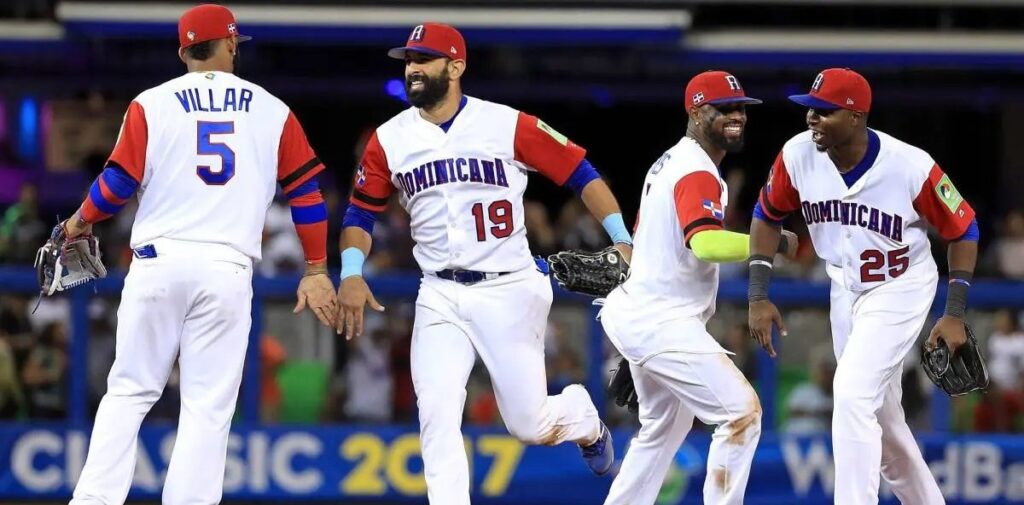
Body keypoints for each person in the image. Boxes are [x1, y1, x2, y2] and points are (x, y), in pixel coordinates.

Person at [336, 23, 631, 504]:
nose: (412, 68)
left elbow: (580, 171)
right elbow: (360, 211)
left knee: (528, 424)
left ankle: (581, 418)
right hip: (439, 293)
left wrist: (623, 239)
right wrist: (351, 271)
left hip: (509, 287)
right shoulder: (389, 139)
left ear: (456, 66)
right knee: (435, 412)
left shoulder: (505, 123)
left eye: (424, 59)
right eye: (408, 60)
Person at [65, 5, 337, 504]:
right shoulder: (273, 109)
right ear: (231, 44)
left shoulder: (152, 102)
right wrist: (317, 266)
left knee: (129, 391)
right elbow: (306, 195)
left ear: (183, 50)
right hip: (226, 269)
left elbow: (118, 183)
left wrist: (79, 220)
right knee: (207, 407)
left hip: (157, 263)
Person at [748, 68, 979, 505]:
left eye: (823, 112)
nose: (811, 120)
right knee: (884, 424)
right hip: (844, 289)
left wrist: (955, 312)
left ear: (856, 116)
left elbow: (963, 230)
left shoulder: (910, 165)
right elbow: (765, 216)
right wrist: (758, 294)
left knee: (852, 392)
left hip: (901, 287)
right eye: (809, 111)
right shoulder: (798, 155)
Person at [598, 70, 796, 505]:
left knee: (661, 434)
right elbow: (704, 243)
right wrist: (768, 242)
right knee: (741, 414)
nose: (736, 115)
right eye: (722, 107)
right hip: (660, 319)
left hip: (646, 312)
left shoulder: (669, 161)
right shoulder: (697, 169)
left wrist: (642, 350)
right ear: (694, 111)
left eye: (740, 107)